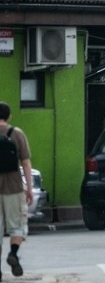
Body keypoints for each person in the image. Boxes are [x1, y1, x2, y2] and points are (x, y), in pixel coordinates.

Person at [0, 102, 32, 278]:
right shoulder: (16, 134)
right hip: (14, 187)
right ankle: (13, 253)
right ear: (9, 116)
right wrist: (28, 188)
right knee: (18, 226)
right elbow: (26, 162)